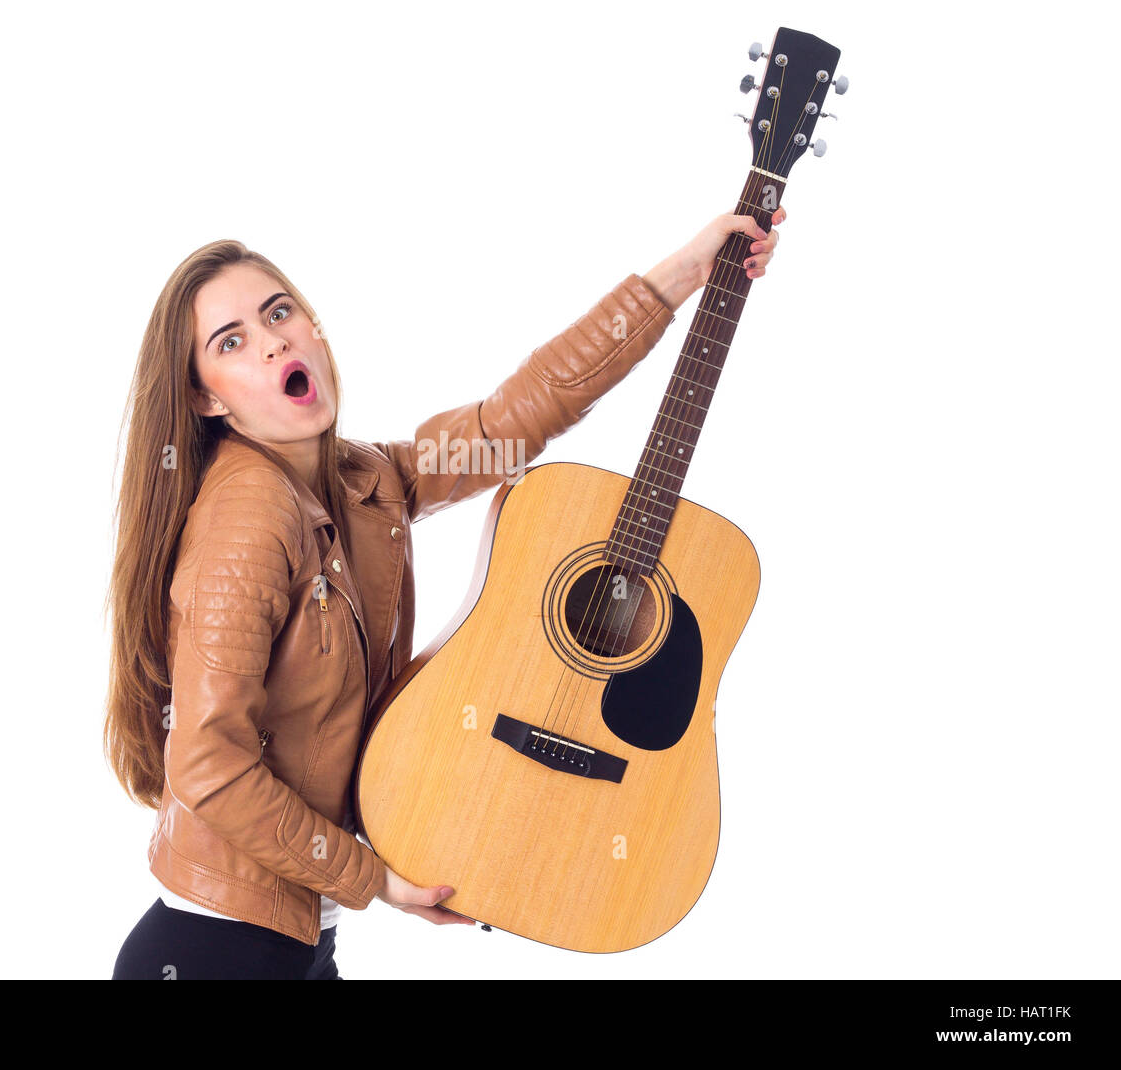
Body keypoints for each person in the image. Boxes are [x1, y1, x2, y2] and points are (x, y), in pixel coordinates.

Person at [104, 206, 786, 979]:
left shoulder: (361, 479)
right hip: (213, 952)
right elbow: (209, 767)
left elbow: (511, 419)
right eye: (232, 342)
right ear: (207, 399)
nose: (273, 342)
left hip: (291, 940)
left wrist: (681, 276)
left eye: (279, 311)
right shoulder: (245, 525)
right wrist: (375, 879)